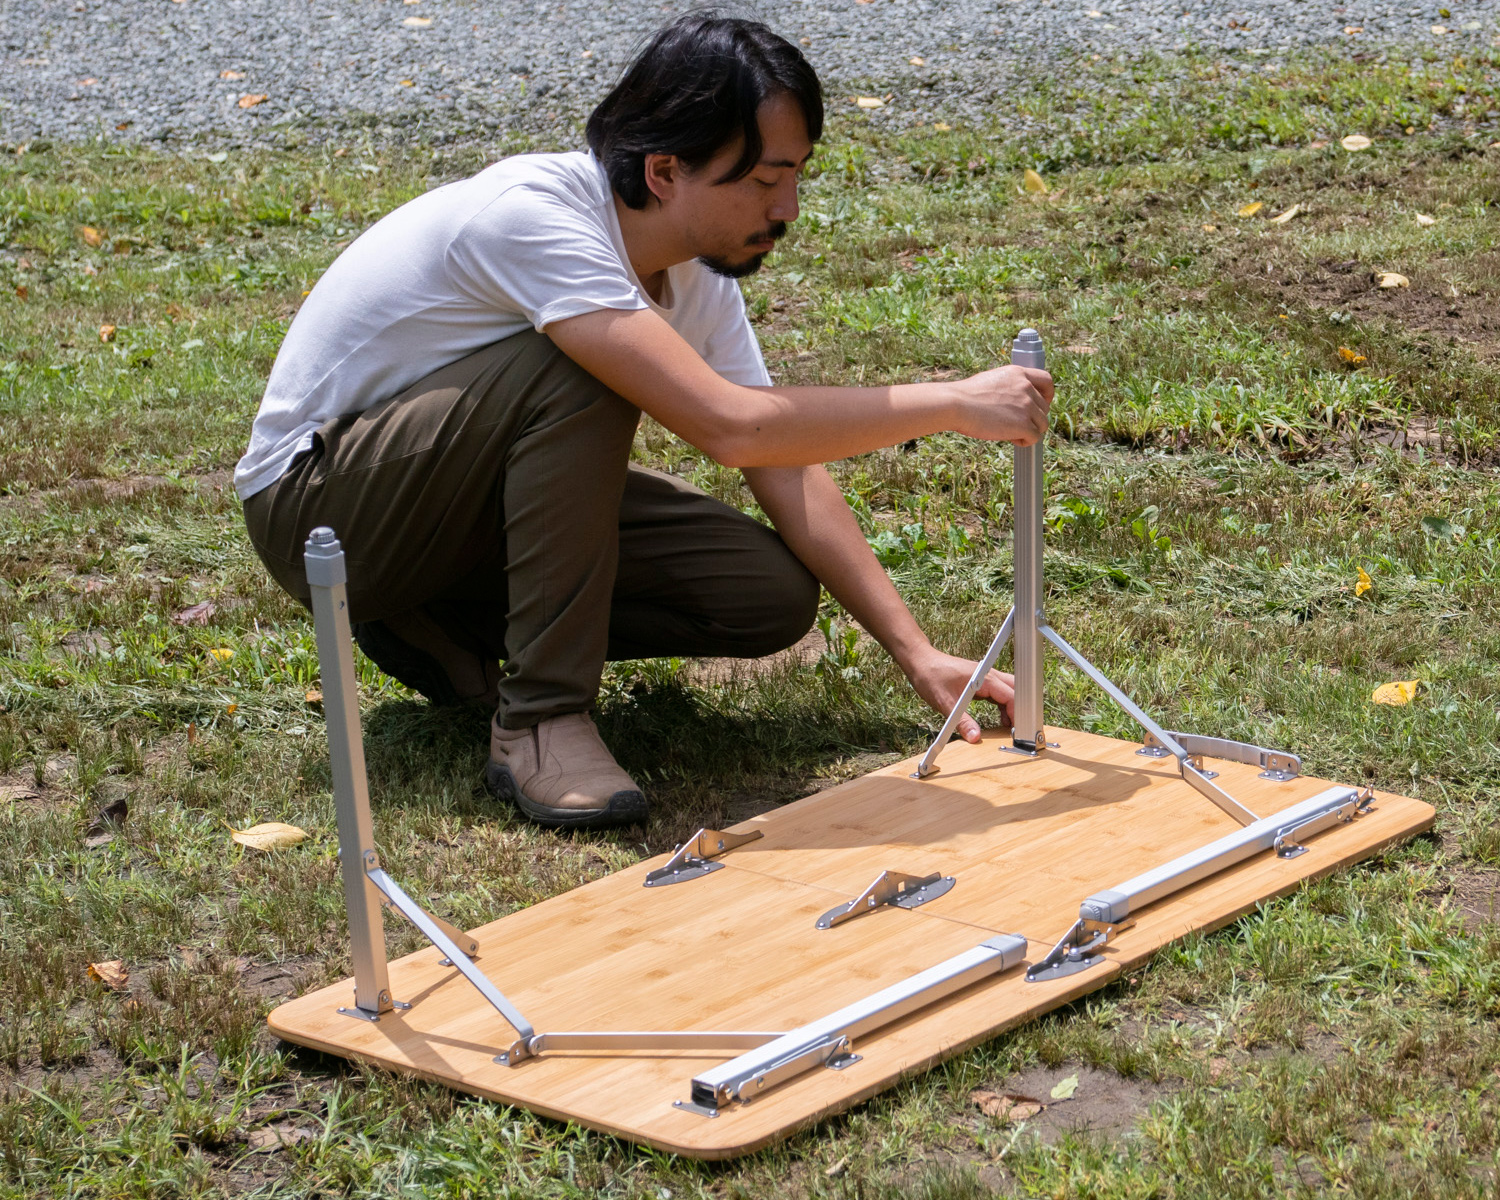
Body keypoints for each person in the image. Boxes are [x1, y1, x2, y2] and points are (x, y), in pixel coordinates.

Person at [236, 12, 1053, 830]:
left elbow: (782, 461)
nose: (790, 208)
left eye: (797, 176)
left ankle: (439, 626)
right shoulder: (536, 219)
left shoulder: (694, 277)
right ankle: (539, 723)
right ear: (664, 170)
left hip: (439, 516)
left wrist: (916, 654)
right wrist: (951, 402)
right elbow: (732, 427)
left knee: (764, 594)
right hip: (320, 517)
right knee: (577, 367)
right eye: (765, 182)